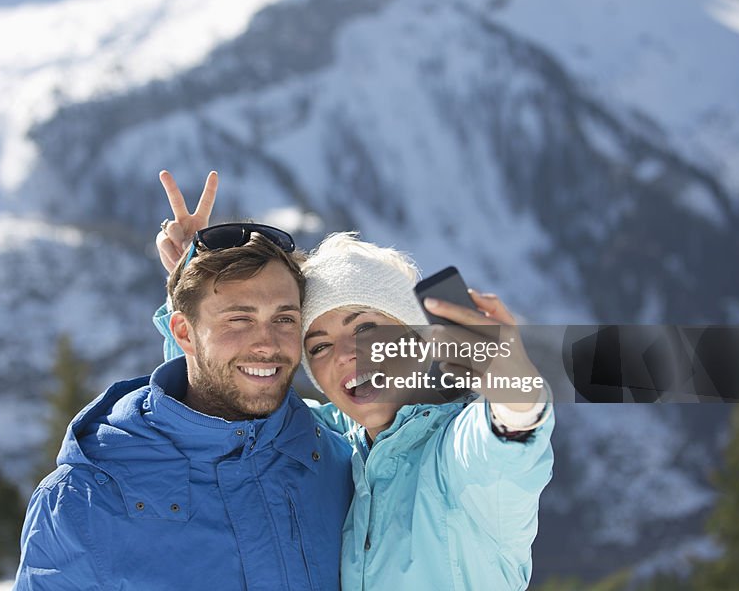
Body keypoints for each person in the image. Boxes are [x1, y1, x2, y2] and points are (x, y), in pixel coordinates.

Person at [155, 172, 554, 591]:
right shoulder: (331, 441)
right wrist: (197, 294)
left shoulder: (454, 455)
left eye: (365, 329)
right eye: (320, 346)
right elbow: (222, 407)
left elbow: (508, 439)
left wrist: (511, 380)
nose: (346, 355)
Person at [13, 171, 354, 590]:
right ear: (183, 333)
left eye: (284, 319)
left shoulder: (336, 455)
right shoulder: (85, 499)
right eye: (239, 319)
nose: (267, 344)